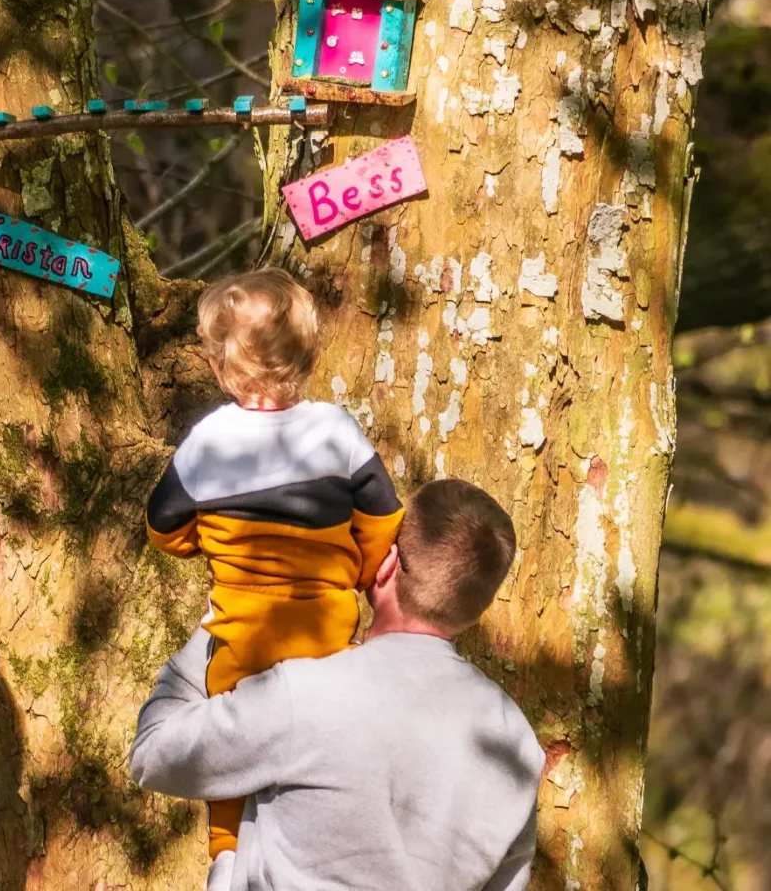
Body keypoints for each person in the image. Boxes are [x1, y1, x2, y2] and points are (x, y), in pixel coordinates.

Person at [131, 479, 544, 891]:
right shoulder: (519, 749)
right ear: (474, 609)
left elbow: (154, 753)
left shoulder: (307, 695)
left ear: (386, 564)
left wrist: (227, 610)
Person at [143, 267, 404, 881]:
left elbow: (162, 528)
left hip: (240, 642)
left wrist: (206, 543)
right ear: (311, 355)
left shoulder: (206, 443)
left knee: (233, 752)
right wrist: (361, 573)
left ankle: (229, 857)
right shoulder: (338, 432)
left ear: (217, 367)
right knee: (319, 754)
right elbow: (383, 517)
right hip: (329, 641)